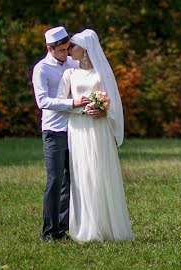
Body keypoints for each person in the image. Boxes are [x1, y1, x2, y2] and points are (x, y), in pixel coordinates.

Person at [57, 28, 134, 242]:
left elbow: (114, 102)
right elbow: (61, 103)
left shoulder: (102, 73)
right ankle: (87, 226)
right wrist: (82, 109)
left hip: (99, 129)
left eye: (74, 45)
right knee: (83, 174)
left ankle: (107, 226)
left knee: (100, 173)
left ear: (85, 48)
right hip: (79, 129)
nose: (70, 49)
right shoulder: (69, 74)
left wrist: (103, 110)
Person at [31, 25, 91, 242]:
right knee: (55, 179)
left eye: (68, 49)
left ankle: (62, 229)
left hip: (74, 129)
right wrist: (71, 103)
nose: (66, 53)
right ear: (49, 48)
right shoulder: (42, 69)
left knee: (70, 180)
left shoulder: (71, 63)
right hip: (53, 130)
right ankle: (49, 231)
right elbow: (43, 101)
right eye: (62, 50)